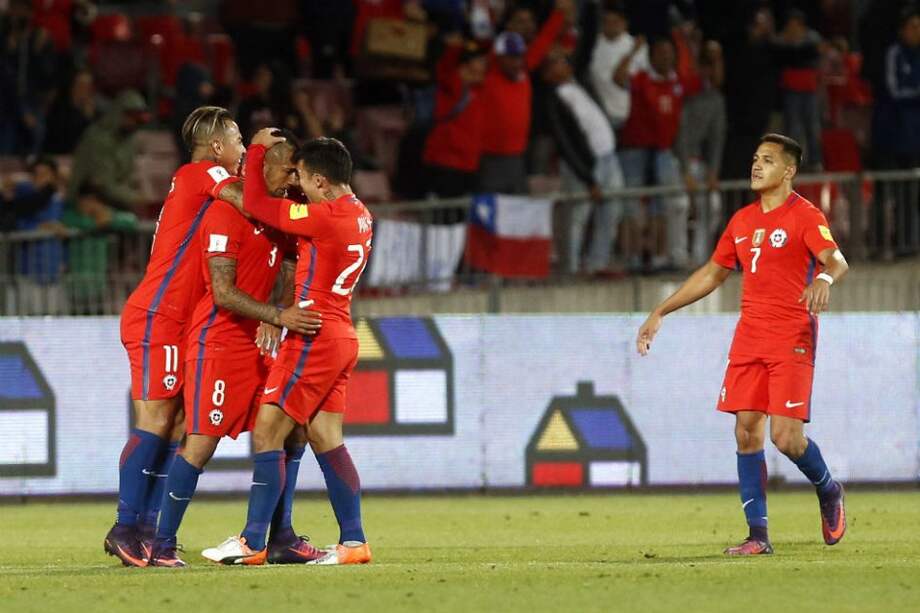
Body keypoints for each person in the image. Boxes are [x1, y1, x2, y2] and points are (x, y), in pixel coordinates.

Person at [636, 133, 849, 555]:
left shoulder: (805, 215)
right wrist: (661, 310)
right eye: (755, 158)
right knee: (746, 432)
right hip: (749, 337)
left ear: (788, 171)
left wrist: (823, 278)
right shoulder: (742, 221)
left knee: (786, 439)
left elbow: (836, 259)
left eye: (767, 160)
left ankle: (828, 490)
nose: (756, 166)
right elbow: (713, 274)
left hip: (792, 338)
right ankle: (758, 536)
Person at [202, 131, 373, 566]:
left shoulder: (325, 217)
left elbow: (258, 204)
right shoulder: (360, 214)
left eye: (301, 177)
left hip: (313, 335)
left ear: (320, 181)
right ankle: (354, 543)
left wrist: (257, 149)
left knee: (267, 431)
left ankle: (252, 541)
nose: (295, 184)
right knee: (326, 437)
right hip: (342, 333)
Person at [149, 139, 322, 567]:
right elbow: (223, 293)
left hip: (260, 342)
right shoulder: (225, 212)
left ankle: (279, 537)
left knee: (292, 429)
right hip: (218, 343)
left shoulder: (276, 212)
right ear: (267, 169)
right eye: (288, 173)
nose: (293, 182)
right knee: (201, 441)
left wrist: (271, 315)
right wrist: (278, 314)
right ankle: (162, 544)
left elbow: (285, 263)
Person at [104, 106, 249, 567]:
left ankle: (148, 530)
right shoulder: (199, 172)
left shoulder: (203, 189)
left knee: (182, 424)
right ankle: (126, 528)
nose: (245, 150)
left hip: (180, 323)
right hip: (157, 316)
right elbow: (251, 201)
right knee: (155, 419)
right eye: (240, 140)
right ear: (218, 146)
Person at [541, 49, 624, 274]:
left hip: (609, 157)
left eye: (563, 60)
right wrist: (588, 178)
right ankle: (573, 269)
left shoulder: (580, 84)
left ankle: (598, 263)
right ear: (548, 73)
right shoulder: (554, 100)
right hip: (585, 166)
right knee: (578, 217)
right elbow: (566, 145)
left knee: (611, 212)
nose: (563, 63)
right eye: (556, 63)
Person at [619, 37, 697, 272]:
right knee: (632, 205)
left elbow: (701, 78)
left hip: (663, 152)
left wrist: (685, 39)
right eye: (660, 53)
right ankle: (632, 259)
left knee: (661, 206)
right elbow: (617, 77)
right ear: (651, 57)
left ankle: (658, 258)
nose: (666, 57)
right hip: (635, 151)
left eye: (669, 53)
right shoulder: (641, 79)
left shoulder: (677, 83)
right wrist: (633, 51)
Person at [478, 1, 568, 194]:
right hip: (490, 157)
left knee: (517, 211)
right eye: (511, 57)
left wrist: (559, 13)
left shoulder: (524, 71)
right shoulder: (489, 75)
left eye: (518, 56)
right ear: (499, 57)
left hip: (517, 157)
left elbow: (543, 42)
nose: (516, 61)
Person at [67, 90, 149, 212]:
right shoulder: (97, 137)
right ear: (119, 113)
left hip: (116, 205)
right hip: (84, 204)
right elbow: (101, 183)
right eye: (130, 116)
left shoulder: (129, 140)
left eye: (137, 119)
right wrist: (134, 198)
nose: (133, 123)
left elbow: (125, 178)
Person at [589, 0, 649, 129]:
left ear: (624, 23)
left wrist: (631, 53)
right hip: (600, 116)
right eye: (607, 22)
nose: (610, 26)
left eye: (615, 22)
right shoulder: (592, 45)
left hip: (628, 116)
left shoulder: (638, 46)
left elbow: (627, 82)